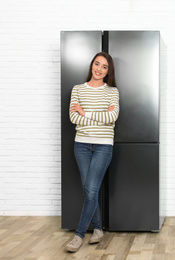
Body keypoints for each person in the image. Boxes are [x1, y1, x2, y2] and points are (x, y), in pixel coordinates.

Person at [65, 52, 120, 253]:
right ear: (91, 65)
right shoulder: (77, 89)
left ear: (108, 71)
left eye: (104, 66)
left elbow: (113, 116)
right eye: (97, 64)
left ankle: (79, 235)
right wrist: (100, 117)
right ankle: (97, 228)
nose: (99, 69)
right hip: (81, 145)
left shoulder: (112, 92)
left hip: (104, 145)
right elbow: (73, 118)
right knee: (90, 190)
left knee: (90, 189)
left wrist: (85, 112)